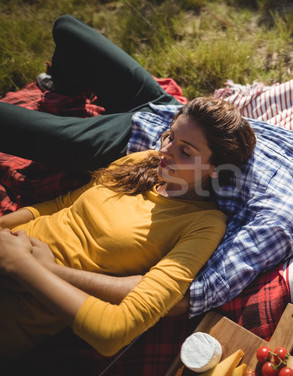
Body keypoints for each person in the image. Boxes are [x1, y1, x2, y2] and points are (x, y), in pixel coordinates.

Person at [0, 15, 293, 321]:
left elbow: (198, 293)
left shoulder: (289, 218)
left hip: (136, 145)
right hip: (166, 110)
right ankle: (64, 89)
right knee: (67, 29)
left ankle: (61, 115)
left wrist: (54, 274)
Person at [0, 96, 256, 359]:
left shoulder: (203, 223)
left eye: (186, 151)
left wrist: (27, 266)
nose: (165, 151)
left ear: (214, 168)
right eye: (169, 137)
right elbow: (63, 204)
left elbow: (113, 332)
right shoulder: (144, 162)